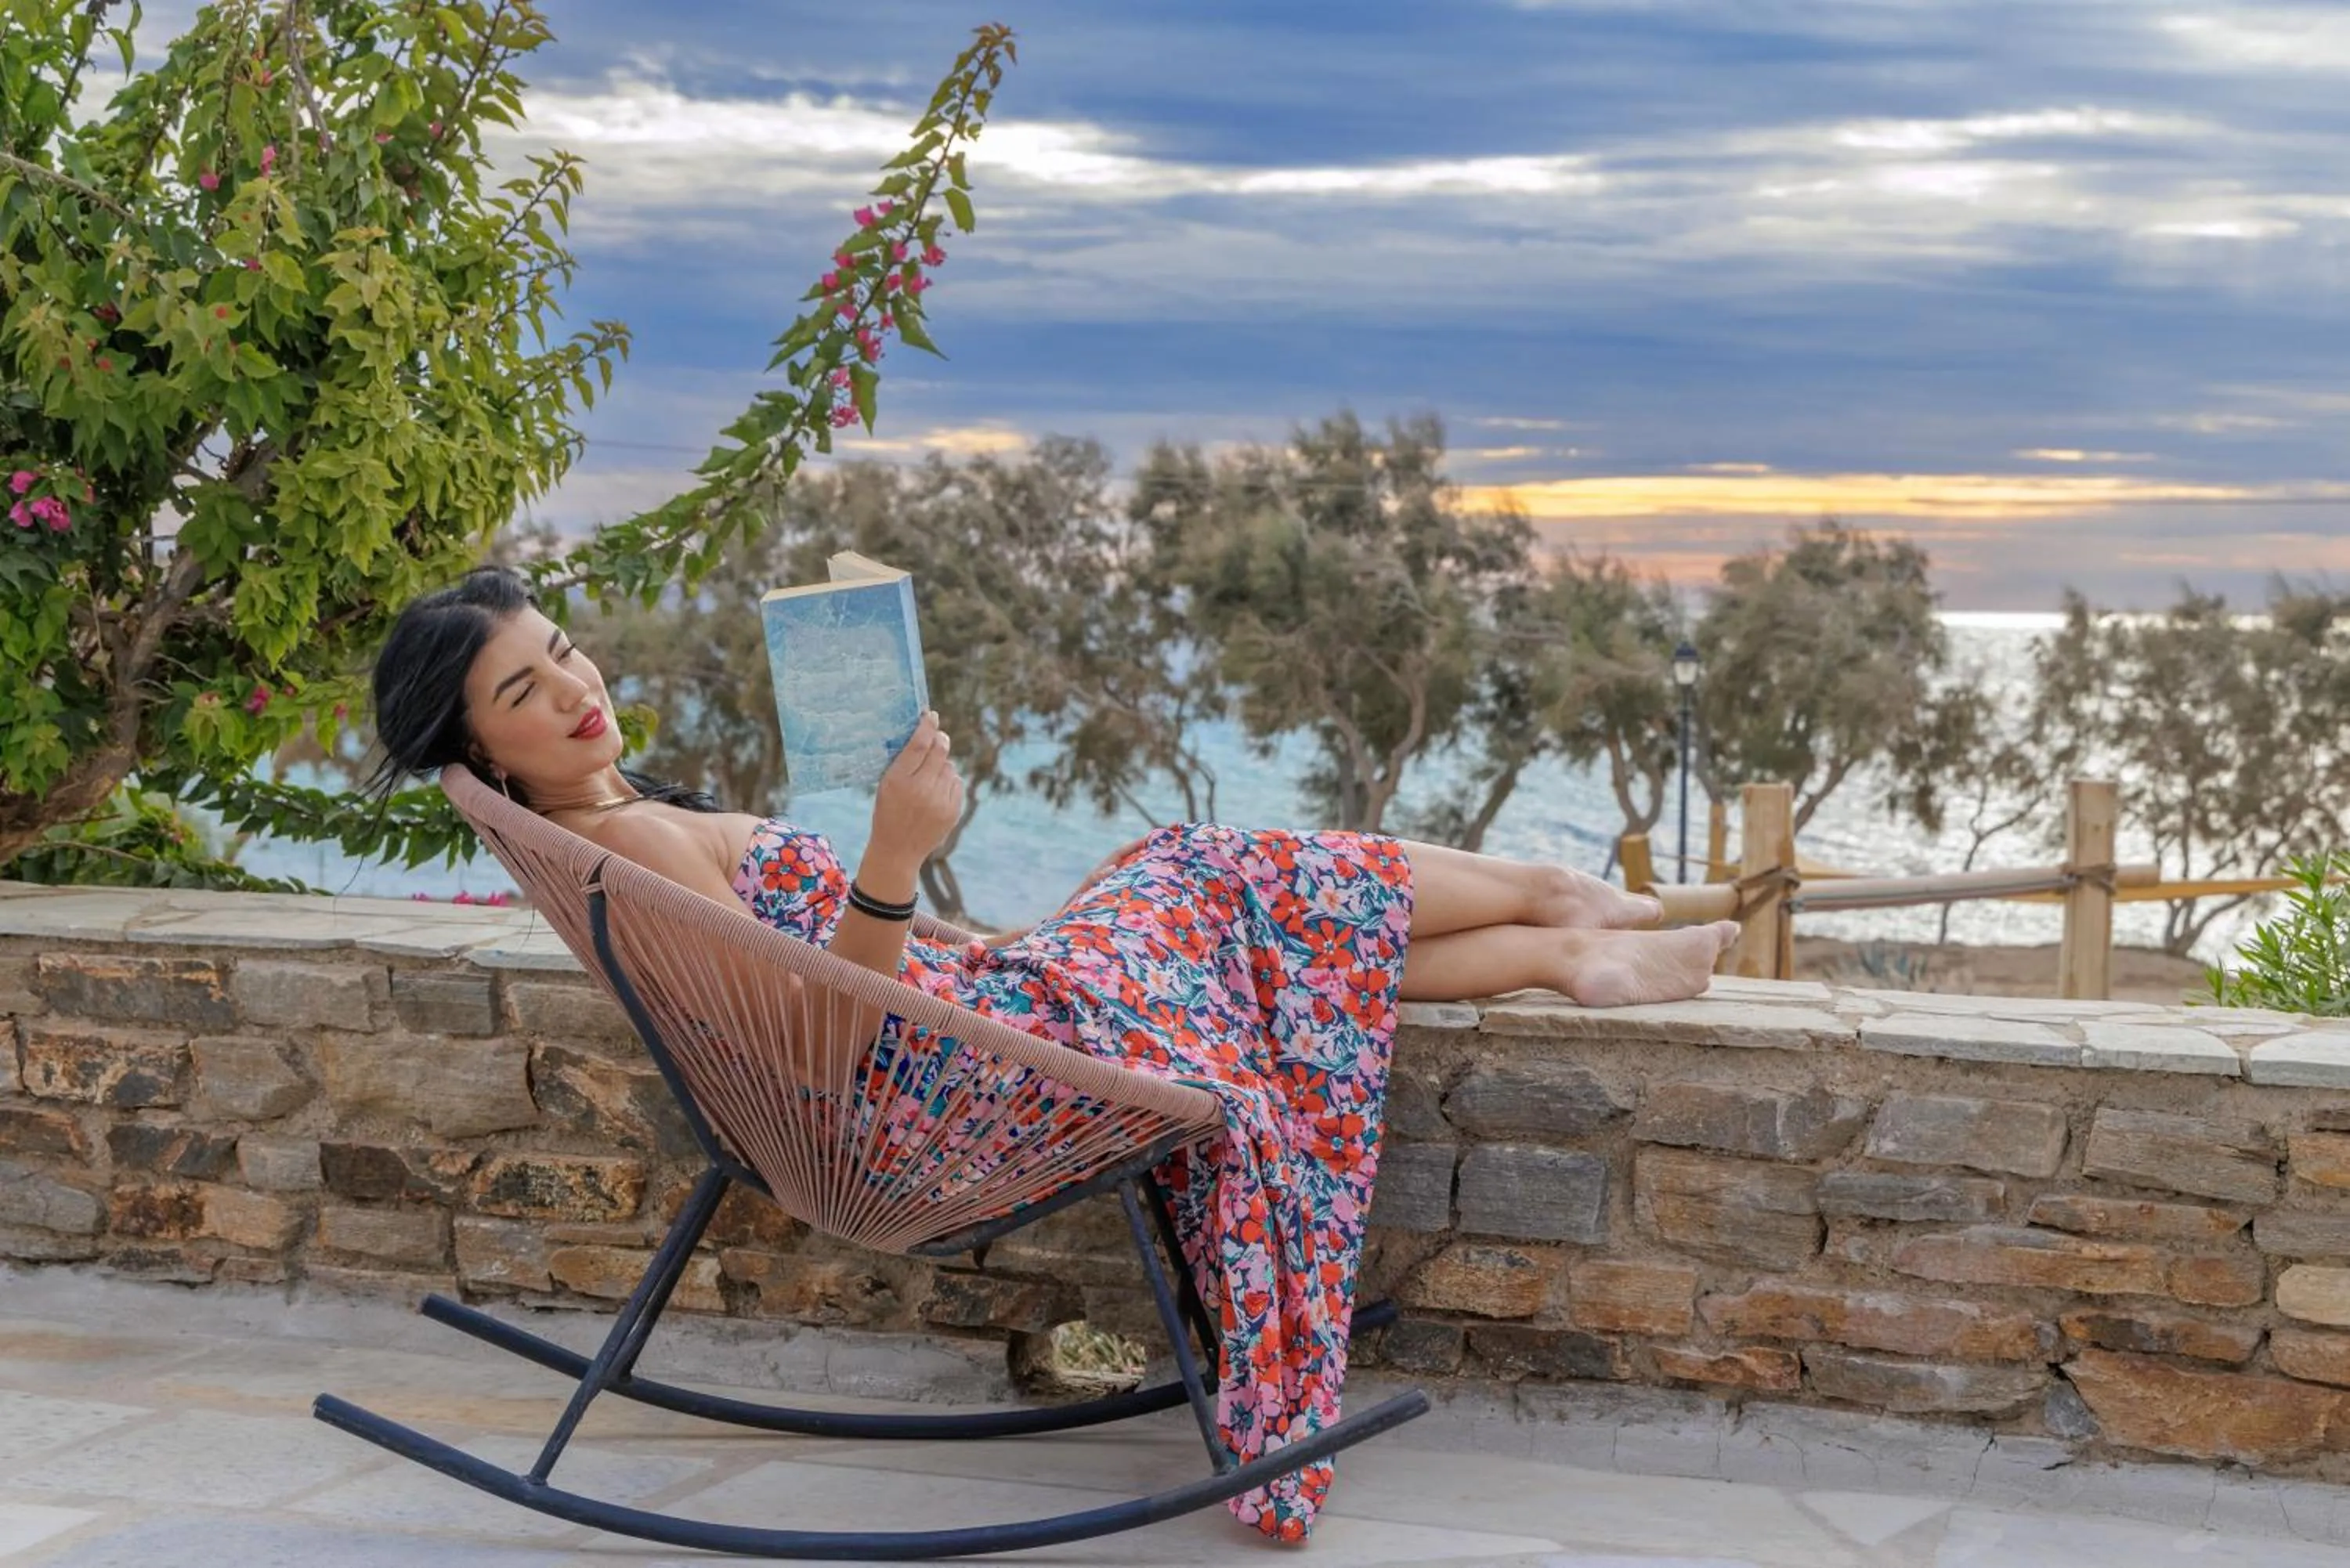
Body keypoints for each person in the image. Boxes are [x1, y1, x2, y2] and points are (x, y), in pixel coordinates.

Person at [368, 566, 1740, 1542]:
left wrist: (935, 912)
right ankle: (1557, 902)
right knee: (1197, 864)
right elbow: (829, 1047)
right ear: (476, 740)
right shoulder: (638, 850)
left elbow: (816, 1002)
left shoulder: (607, 831)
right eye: (524, 688)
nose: (575, 690)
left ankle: (1567, 946)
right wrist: (897, 854)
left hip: (972, 1033)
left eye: (565, 652)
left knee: (1234, 929)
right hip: (958, 1094)